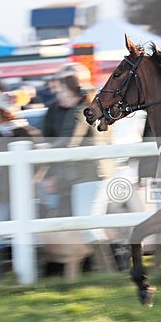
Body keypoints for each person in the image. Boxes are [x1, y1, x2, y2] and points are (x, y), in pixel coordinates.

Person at [0, 93, 40, 279]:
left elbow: (37, 163)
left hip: (23, 190)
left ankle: (33, 271)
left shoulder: (25, 132)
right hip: (1, 191)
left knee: (29, 233)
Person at [41, 63, 104, 216]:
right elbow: (49, 137)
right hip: (68, 176)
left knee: (85, 220)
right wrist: (50, 174)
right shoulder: (54, 109)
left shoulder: (86, 108)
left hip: (86, 174)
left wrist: (43, 151)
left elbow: (69, 140)